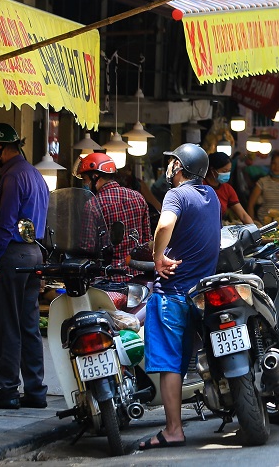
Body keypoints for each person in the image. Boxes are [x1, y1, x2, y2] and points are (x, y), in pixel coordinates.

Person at [139, 144, 220, 450]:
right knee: (186, 357)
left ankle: (173, 429)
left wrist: (158, 256)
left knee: (170, 364)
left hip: (172, 293)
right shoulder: (211, 197)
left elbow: (166, 224)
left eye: (172, 162)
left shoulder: (176, 195)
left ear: (180, 167)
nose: (169, 167)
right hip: (199, 295)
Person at [0, 123, 49, 409]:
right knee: (28, 325)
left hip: (14, 254)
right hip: (33, 254)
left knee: (8, 325)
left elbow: (5, 225)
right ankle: (36, 390)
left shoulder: (13, 177)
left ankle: (7, 389)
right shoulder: (35, 175)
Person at [77, 152, 152, 284]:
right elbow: (147, 242)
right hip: (138, 280)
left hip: (108, 280)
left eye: (85, 179)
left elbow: (87, 248)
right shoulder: (138, 197)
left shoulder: (93, 205)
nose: (85, 184)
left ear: (95, 177)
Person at [204, 151, 253, 224]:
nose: (226, 174)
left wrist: (254, 230)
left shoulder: (227, 189)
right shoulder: (199, 186)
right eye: (224, 171)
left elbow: (243, 215)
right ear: (212, 170)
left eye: (229, 171)